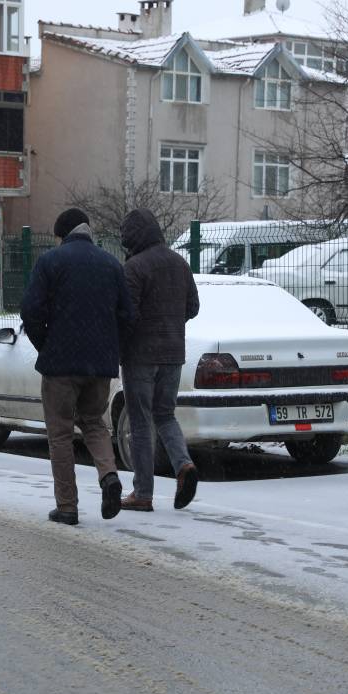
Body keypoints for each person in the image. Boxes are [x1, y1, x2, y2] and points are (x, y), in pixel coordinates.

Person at [20, 208, 133, 526]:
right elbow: (128, 316)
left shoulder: (50, 262)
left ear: (63, 235)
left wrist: (47, 344)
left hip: (60, 365)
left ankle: (67, 506)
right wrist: (108, 348)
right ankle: (109, 476)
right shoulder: (112, 264)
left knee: (60, 434)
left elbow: (30, 310)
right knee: (95, 424)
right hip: (99, 365)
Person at [118, 208, 200, 512]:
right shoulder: (180, 263)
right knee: (165, 415)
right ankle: (184, 465)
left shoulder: (134, 268)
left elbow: (128, 314)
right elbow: (193, 306)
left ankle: (143, 493)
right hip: (174, 352)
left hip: (140, 355)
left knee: (140, 422)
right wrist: (170, 322)